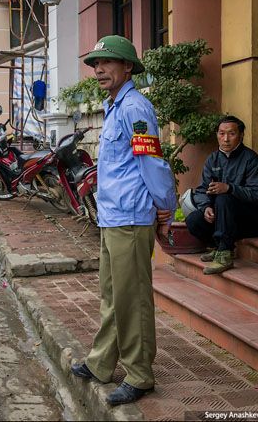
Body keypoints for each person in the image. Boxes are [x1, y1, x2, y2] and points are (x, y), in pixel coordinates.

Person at [69, 35, 177, 406]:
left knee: (132, 301)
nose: (98, 69)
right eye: (95, 63)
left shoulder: (136, 108)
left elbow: (153, 163)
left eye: (107, 62)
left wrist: (166, 207)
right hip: (112, 216)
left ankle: (140, 375)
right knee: (112, 297)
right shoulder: (114, 106)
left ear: (128, 67)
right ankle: (101, 363)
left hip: (132, 218)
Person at [185, 116, 258, 275]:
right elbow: (203, 189)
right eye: (221, 134)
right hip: (224, 219)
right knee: (193, 219)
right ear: (217, 135)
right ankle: (218, 246)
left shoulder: (251, 160)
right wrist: (206, 208)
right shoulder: (212, 159)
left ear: (241, 135)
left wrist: (229, 188)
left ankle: (224, 253)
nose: (225, 139)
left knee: (224, 198)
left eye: (231, 134)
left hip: (251, 219)